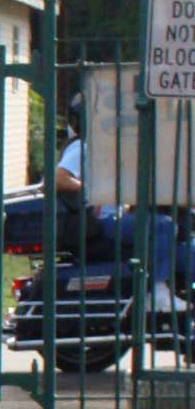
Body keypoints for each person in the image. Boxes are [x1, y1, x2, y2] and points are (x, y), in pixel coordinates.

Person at [55, 100, 188, 312]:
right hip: (100, 223)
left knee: (178, 246)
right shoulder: (84, 146)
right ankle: (157, 292)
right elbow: (59, 178)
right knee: (163, 226)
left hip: (115, 217)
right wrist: (92, 189)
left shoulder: (105, 148)